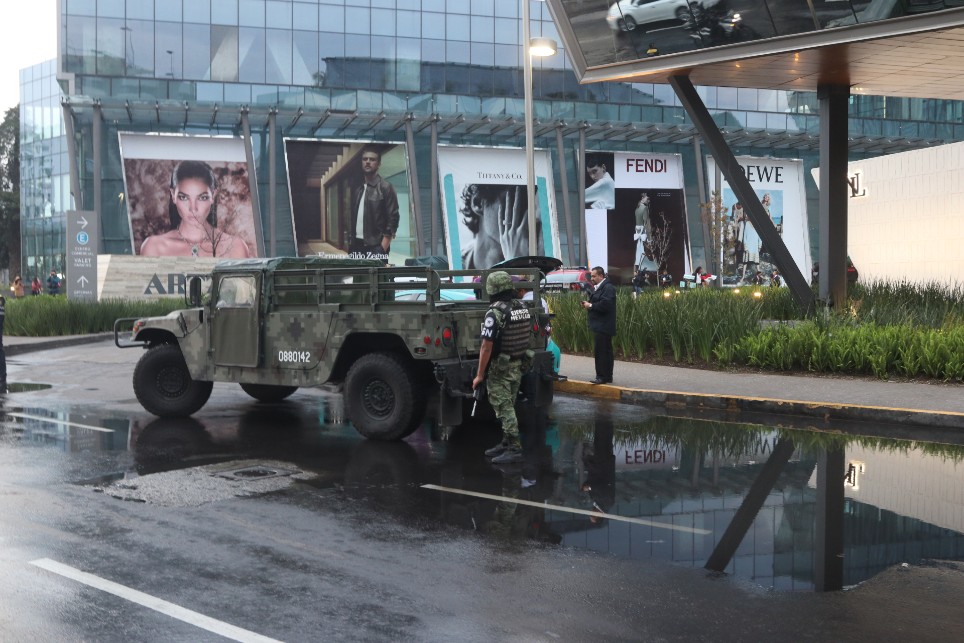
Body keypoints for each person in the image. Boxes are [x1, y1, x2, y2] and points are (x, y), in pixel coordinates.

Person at [473, 271, 534, 465]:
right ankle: (506, 442)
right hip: (517, 364)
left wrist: (479, 375)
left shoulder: (495, 312)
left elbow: (486, 346)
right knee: (509, 405)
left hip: (501, 368)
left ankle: (515, 447)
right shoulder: (521, 306)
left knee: (503, 407)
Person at [140, 160, 251, 258]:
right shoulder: (154, 248)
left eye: (202, 198)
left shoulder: (235, 248)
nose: (193, 208)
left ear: (213, 195)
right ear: (173, 195)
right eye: (184, 197)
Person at [459, 184, 544, 269]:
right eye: (519, 199)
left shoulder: (543, 262)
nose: (534, 215)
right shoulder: (454, 267)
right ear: (478, 203)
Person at [348, 146, 400, 264]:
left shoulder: (385, 187)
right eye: (365, 159)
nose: (367, 162)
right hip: (356, 246)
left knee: (375, 282)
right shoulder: (358, 188)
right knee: (358, 281)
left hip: (376, 247)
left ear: (378, 164)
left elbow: (393, 220)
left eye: (372, 159)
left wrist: (381, 249)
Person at [581, 266, 616, 384]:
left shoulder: (608, 287)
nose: (592, 278)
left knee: (602, 352)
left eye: (594, 276)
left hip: (604, 326)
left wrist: (590, 306)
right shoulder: (601, 287)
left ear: (601, 276)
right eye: (591, 276)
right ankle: (606, 376)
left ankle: (602, 377)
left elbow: (606, 305)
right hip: (601, 325)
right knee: (604, 351)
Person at [634, 192, 658, 273]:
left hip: (639, 233)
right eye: (647, 198)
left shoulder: (637, 208)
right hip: (644, 233)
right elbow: (647, 223)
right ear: (642, 198)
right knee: (646, 253)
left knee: (639, 254)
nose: (649, 200)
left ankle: (638, 272)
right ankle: (644, 273)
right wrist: (650, 239)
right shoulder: (644, 208)